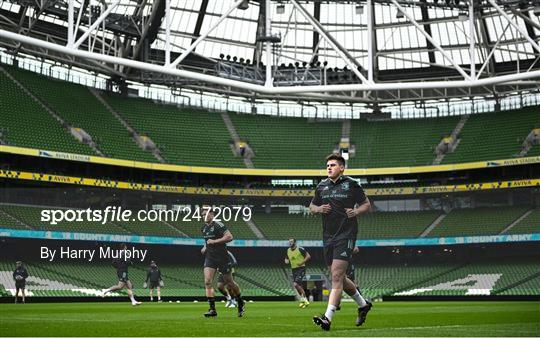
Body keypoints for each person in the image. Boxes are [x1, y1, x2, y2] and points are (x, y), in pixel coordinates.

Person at [310, 154, 372, 331]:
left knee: (336, 276)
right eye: (327, 165)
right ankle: (363, 304)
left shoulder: (352, 184)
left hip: (346, 234)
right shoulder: (321, 186)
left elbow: (366, 204)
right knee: (341, 277)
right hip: (328, 237)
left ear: (342, 168)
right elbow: (312, 206)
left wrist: (356, 212)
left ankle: (327, 318)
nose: (329, 168)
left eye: (333, 165)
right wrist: (318, 209)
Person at [201, 206, 245, 317]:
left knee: (230, 283)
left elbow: (230, 237)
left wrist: (214, 242)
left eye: (206, 214)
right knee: (207, 281)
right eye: (202, 215)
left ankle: (240, 301)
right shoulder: (204, 228)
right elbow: (207, 241)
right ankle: (212, 310)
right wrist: (205, 247)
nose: (204, 216)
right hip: (210, 258)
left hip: (222, 258)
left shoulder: (218, 225)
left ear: (212, 214)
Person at [284, 238, 311, 308]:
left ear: (295, 242)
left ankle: (305, 300)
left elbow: (308, 256)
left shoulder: (300, 249)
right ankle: (303, 301)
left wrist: (302, 262)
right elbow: (286, 258)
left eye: (291, 241)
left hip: (301, 268)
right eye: (289, 241)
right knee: (298, 286)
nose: (290, 243)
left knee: (295, 284)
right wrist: (286, 260)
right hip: (294, 270)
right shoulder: (288, 250)